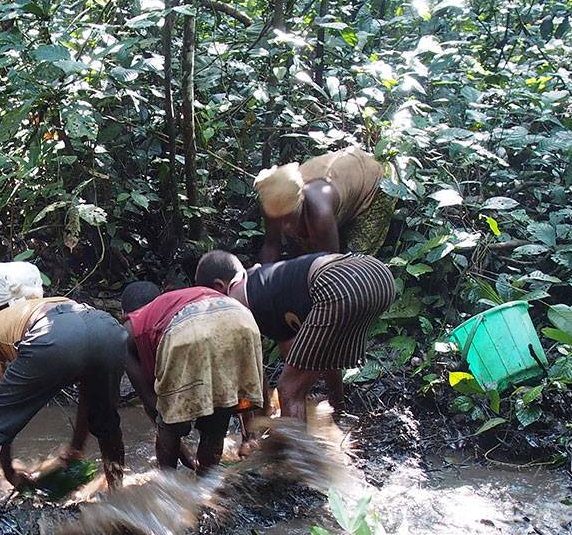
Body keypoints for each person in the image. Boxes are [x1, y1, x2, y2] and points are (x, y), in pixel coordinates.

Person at [0, 262, 126, 515]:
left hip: (53, 337)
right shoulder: (58, 301)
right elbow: (87, 392)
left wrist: (9, 472)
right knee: (107, 422)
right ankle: (119, 499)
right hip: (106, 328)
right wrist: (76, 449)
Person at [195, 248, 395, 418]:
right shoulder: (270, 285)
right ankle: (340, 416)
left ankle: (297, 461)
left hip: (341, 280)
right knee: (312, 368)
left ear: (218, 287)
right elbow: (319, 355)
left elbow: (251, 370)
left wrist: (262, 419)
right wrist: (337, 408)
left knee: (288, 390)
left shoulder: (237, 299)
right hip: (377, 275)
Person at [120, 280, 263, 474]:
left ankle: (168, 489)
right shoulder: (175, 301)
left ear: (123, 313)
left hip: (186, 328)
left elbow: (153, 405)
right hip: (240, 317)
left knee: (168, 424)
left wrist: (173, 434)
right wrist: (250, 437)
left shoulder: (129, 327)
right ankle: (206, 484)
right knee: (217, 419)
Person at [254, 146, 395, 263]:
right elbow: (271, 246)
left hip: (374, 184)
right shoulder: (272, 201)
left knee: (355, 262)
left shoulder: (320, 213)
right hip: (342, 187)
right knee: (300, 251)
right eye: (278, 220)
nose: (285, 225)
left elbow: (330, 268)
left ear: (299, 203)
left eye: (288, 217)